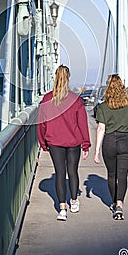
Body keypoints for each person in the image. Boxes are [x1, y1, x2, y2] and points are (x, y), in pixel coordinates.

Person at [38, 65, 91, 221]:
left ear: (55, 77)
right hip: (73, 141)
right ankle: (74, 202)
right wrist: (86, 144)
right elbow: (82, 123)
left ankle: (62, 209)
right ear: (68, 78)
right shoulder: (76, 99)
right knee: (72, 172)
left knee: (60, 173)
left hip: (54, 142)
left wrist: (42, 142)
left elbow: (41, 123)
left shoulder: (47, 99)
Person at [94, 74, 128, 220]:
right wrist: (127, 126)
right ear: (122, 88)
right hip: (125, 141)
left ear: (108, 88)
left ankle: (114, 203)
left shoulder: (102, 106)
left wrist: (96, 151)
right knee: (122, 176)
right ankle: (120, 205)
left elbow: (101, 129)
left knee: (112, 175)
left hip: (109, 141)